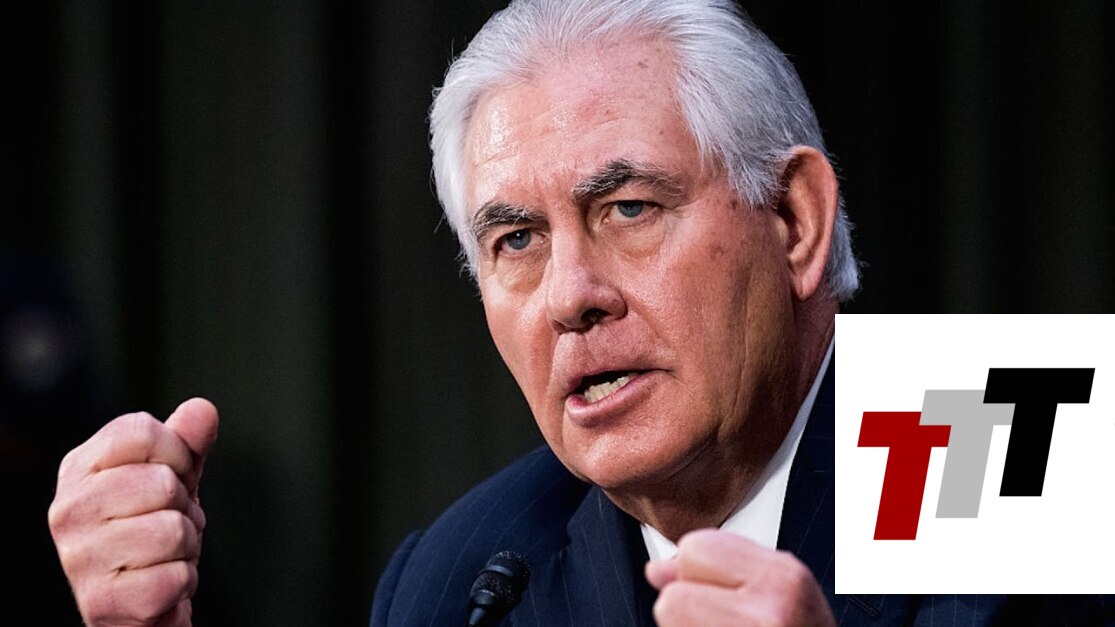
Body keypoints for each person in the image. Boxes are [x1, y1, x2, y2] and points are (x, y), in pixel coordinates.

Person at [46, 1, 1114, 626]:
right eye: (516, 240)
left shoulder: (1020, 444)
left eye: (628, 209)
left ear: (793, 221)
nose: (569, 296)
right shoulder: (462, 575)